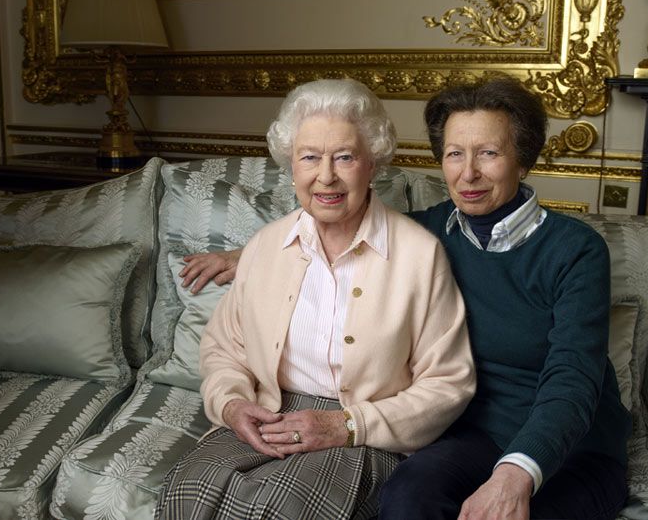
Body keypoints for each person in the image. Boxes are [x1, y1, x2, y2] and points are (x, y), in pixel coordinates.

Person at [179, 77, 632, 520]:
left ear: (524, 159)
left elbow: (572, 380)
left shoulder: (575, 250)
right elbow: (344, 224)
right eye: (454, 154)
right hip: (472, 436)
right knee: (406, 500)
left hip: (568, 449)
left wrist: (516, 474)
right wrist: (251, 255)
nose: (468, 172)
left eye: (489, 153)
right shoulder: (431, 230)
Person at [156, 78, 476, 520]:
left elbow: (449, 384)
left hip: (364, 429)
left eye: (344, 157)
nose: (326, 176)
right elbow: (223, 348)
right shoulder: (266, 245)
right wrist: (231, 404)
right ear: (292, 166)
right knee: (186, 493)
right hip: (270, 408)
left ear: (372, 165)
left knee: (281, 511)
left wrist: (348, 425)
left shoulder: (420, 255)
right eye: (310, 158)